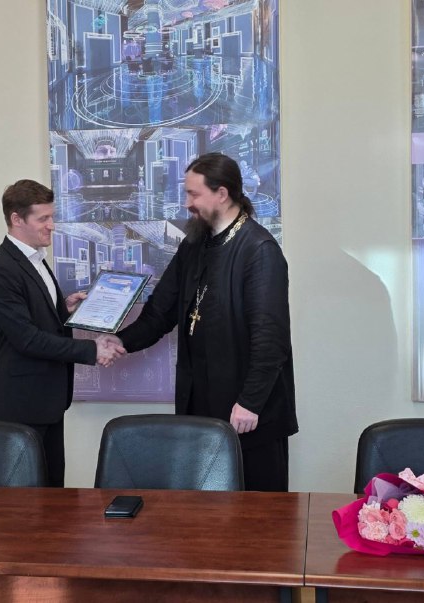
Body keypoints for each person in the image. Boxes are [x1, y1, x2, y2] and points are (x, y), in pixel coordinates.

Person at [103, 153, 297, 491]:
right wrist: (121, 341)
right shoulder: (194, 245)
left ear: (222, 194)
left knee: (255, 510)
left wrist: (250, 402)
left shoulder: (259, 250)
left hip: (246, 412)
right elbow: (160, 312)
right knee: (203, 508)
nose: (187, 203)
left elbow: (271, 339)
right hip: (200, 405)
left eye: (194, 194)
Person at [0, 179, 124, 487]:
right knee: (25, 498)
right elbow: (27, 339)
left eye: (51, 216)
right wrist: (92, 350)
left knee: (52, 490)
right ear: (17, 219)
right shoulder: (0, 270)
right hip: (20, 404)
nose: (51, 225)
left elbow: (37, 320)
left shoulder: (35, 260)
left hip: (48, 401)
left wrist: (64, 310)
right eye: (43, 218)